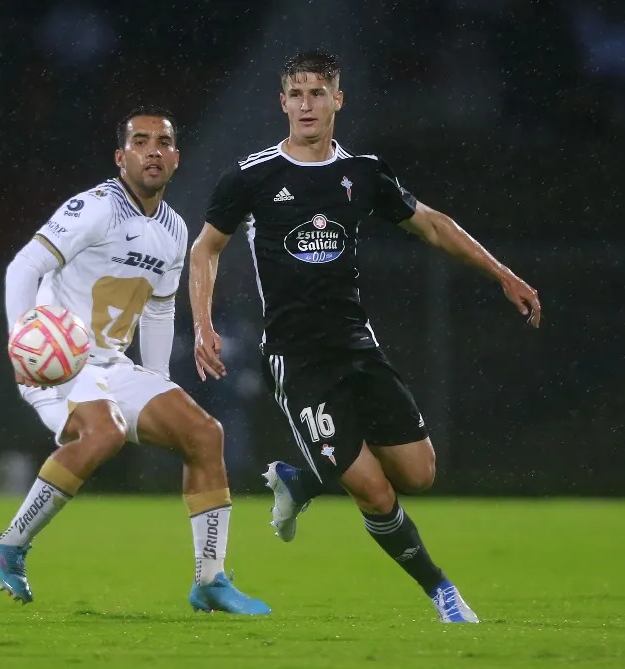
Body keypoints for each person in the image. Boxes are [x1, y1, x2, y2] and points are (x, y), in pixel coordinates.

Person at [189, 51, 542, 624]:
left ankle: (302, 479)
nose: (307, 104)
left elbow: (432, 224)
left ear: (338, 100)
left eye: (318, 93)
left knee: (419, 474)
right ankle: (442, 592)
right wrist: (203, 324)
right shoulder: (252, 176)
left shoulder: (363, 173)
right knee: (374, 492)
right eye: (296, 94)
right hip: (297, 359)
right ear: (282, 103)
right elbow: (206, 249)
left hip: (358, 346)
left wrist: (501, 273)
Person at [0, 107, 270, 615]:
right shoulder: (95, 208)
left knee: (205, 434)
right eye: (140, 141)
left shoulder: (175, 230)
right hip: (58, 363)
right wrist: (21, 341)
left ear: (176, 158)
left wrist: (157, 385)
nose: (153, 150)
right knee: (105, 432)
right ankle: (10, 545)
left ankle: (210, 580)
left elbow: (158, 310)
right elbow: (24, 266)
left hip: (111, 366)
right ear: (120, 157)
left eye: (163, 142)